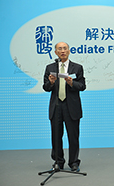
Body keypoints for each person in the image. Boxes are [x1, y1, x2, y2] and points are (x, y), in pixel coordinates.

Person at [43, 42, 86, 172]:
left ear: (69, 51)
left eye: (65, 48)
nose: (62, 51)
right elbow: (45, 87)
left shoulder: (77, 68)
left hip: (71, 106)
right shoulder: (50, 67)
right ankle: (58, 162)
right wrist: (50, 83)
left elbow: (82, 86)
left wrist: (72, 82)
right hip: (56, 106)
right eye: (59, 49)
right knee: (56, 136)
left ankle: (73, 162)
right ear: (55, 52)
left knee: (73, 136)